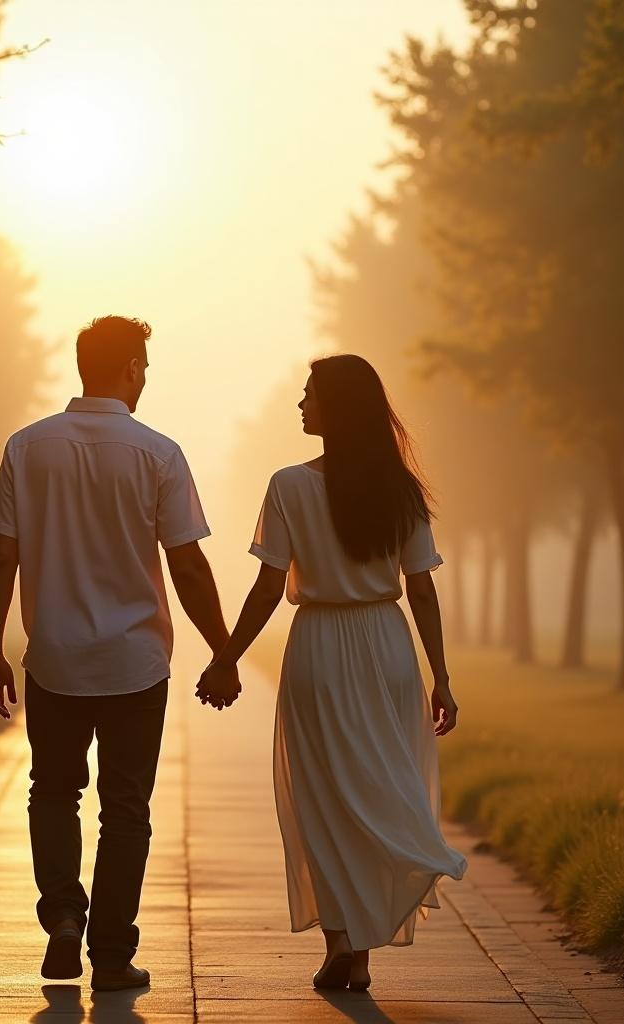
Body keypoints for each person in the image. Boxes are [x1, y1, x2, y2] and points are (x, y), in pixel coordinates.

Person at [0, 316, 239, 992]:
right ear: (128, 367)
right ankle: (113, 957)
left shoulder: (27, 448)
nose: (145, 378)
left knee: (53, 791)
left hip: (56, 658)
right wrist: (223, 649)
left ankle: (64, 917)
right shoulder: (158, 453)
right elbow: (186, 564)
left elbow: (2, 553)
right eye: (143, 366)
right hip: (134, 664)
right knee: (126, 808)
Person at [197, 353, 467, 991]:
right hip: (386, 643)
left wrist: (228, 655)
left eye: (310, 394)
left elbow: (268, 587)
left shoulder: (289, 485)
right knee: (375, 785)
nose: (300, 404)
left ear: (336, 407)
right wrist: (442, 677)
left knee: (322, 796)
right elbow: (420, 589)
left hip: (319, 646)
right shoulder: (399, 489)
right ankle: (362, 947)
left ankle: (340, 941)